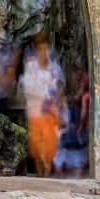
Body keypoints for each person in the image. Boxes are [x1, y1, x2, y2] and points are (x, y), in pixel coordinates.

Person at [19, 28, 64, 177]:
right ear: (36, 50)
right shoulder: (31, 66)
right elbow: (26, 87)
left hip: (50, 111)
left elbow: (60, 87)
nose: (43, 51)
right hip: (35, 110)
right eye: (40, 48)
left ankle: (47, 173)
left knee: (49, 143)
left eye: (46, 48)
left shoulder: (54, 68)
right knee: (37, 143)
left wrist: (57, 101)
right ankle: (40, 174)